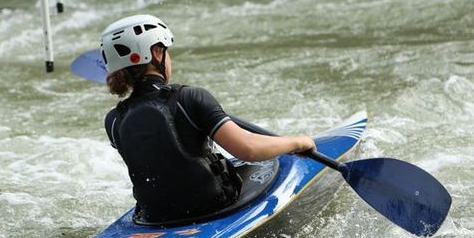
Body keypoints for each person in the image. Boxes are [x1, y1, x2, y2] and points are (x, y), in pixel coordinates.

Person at [101, 14, 316, 225]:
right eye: (167, 52)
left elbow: (159, 163)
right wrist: (297, 142)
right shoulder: (189, 98)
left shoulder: (113, 120)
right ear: (157, 53)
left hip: (157, 216)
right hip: (212, 205)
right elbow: (248, 149)